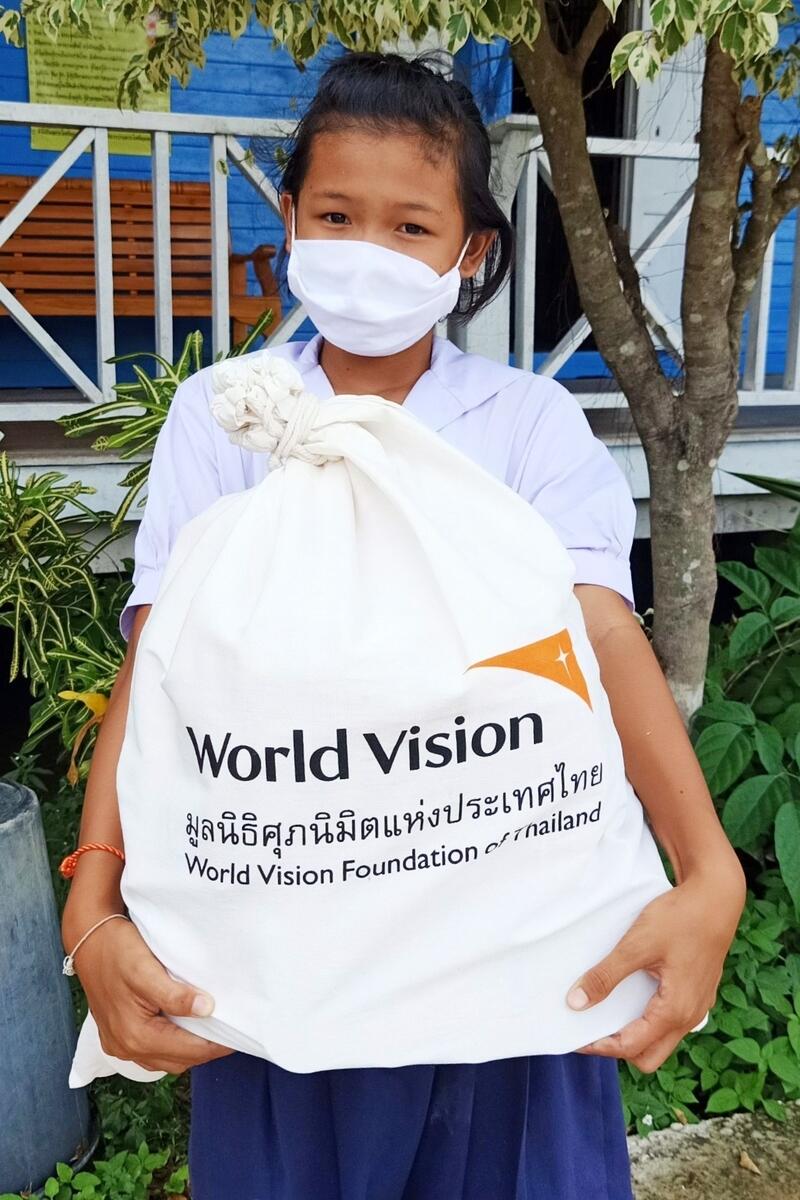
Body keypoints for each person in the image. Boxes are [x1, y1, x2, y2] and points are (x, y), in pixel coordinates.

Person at [61, 50, 746, 1200]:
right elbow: (159, 662)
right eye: (336, 214)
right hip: (280, 978)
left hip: (521, 981)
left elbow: (602, 633)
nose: (368, 252)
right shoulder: (226, 414)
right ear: (288, 216)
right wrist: (94, 897)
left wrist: (707, 870)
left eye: (410, 226)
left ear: (469, 251)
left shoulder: (524, 424)